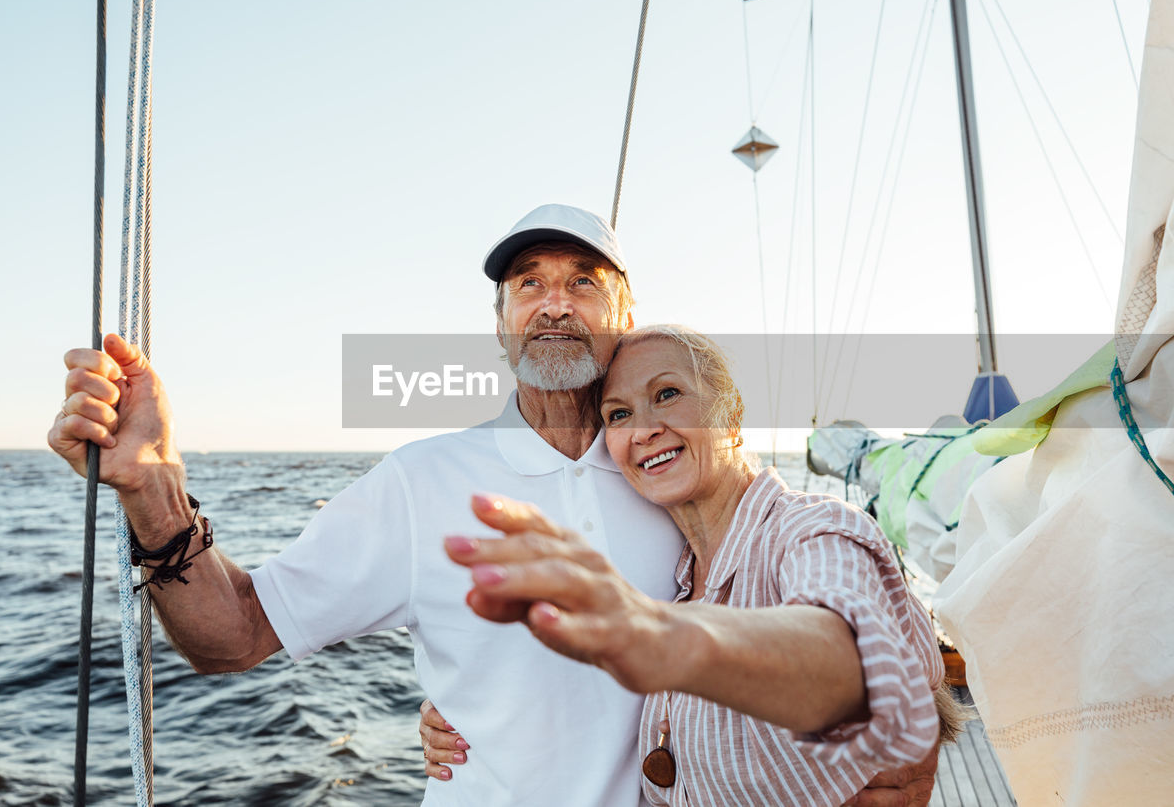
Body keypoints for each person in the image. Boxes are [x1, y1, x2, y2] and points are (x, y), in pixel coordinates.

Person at [49, 204, 940, 805]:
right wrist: (153, 485)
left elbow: (835, 625)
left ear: (623, 314)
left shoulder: (670, 478)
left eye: (582, 281)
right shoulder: (421, 482)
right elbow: (234, 633)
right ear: (502, 324)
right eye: (528, 284)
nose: (554, 303)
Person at [437, 325, 963, 805]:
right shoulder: (674, 571)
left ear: (730, 412)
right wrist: (467, 710)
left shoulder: (814, 530)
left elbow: (846, 651)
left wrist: (662, 638)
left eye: (667, 394)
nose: (643, 429)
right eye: (618, 414)